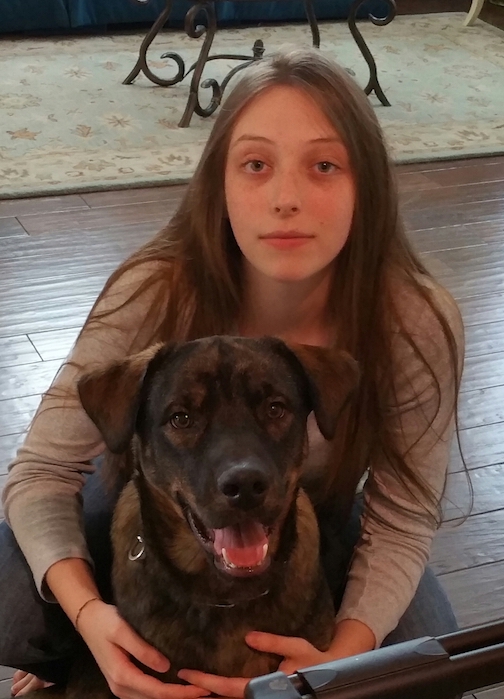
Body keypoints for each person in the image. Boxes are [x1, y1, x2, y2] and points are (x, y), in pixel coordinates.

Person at [0, 47, 465, 699]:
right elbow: (42, 471)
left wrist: (338, 662)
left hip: (315, 512)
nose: (286, 199)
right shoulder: (156, 289)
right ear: (218, 183)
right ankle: (91, 658)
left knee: (425, 668)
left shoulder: (410, 317)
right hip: (155, 497)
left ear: (367, 185)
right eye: (256, 165)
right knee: (16, 600)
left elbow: (405, 517)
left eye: (324, 165)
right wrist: (88, 617)